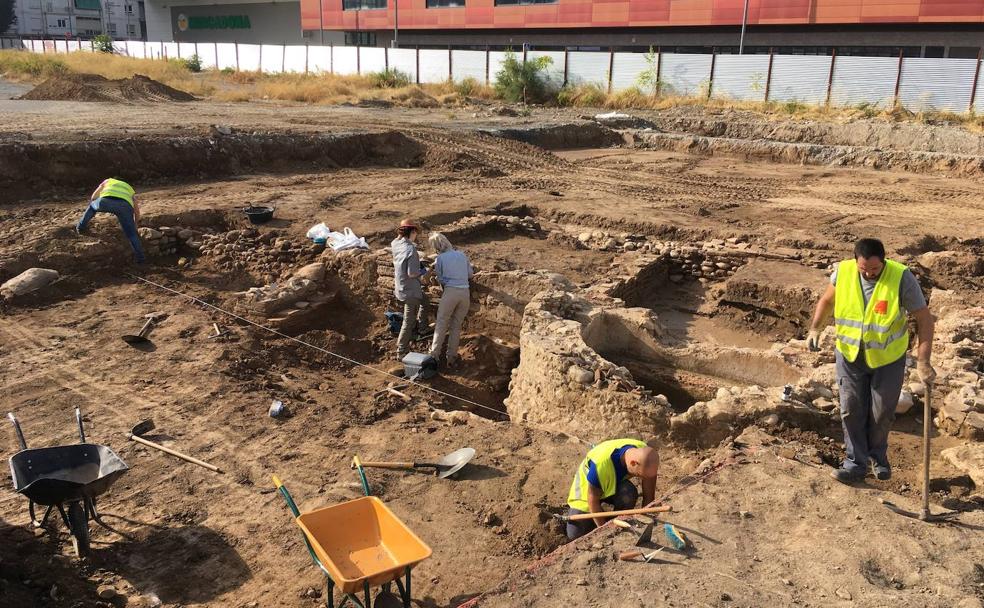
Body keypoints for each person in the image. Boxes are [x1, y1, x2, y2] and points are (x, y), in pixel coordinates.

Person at [806, 238, 935, 483]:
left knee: (881, 412)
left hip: (887, 358)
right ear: (856, 261)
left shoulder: (901, 277)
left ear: (883, 261)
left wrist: (923, 360)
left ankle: (878, 456)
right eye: (863, 269)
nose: (868, 273)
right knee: (850, 408)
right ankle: (855, 463)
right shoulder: (843, 271)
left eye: (874, 269)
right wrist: (815, 329)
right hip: (850, 354)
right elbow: (827, 300)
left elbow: (924, 319)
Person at [565, 438, 659, 540]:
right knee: (574, 534)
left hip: (612, 483)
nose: (642, 477)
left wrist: (647, 515)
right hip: (587, 491)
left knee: (628, 493)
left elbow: (649, 493)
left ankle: (617, 523)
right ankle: (601, 522)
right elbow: (593, 501)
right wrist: (605, 531)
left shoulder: (645, 454)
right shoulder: (601, 465)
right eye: (640, 474)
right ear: (633, 463)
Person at [427, 233, 473, 368]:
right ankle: (451, 357)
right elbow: (470, 274)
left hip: (450, 292)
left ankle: (434, 356)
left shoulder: (440, 258)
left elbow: (440, 279)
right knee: (456, 325)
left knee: (441, 323)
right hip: (465, 293)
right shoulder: (462, 255)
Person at [75, 178, 146, 264]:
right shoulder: (129, 188)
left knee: (92, 206)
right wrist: (135, 224)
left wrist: (96, 203)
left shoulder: (108, 181)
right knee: (131, 235)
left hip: (105, 202)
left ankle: (80, 227)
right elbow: (136, 210)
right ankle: (141, 260)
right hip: (125, 207)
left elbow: (93, 197)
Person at [391, 219, 431, 361]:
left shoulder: (395, 244)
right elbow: (412, 273)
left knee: (426, 301)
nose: (417, 235)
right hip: (410, 290)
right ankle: (401, 350)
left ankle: (422, 328)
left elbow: (397, 239)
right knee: (408, 320)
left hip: (400, 287)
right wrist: (425, 270)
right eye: (415, 233)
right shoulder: (411, 250)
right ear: (412, 232)